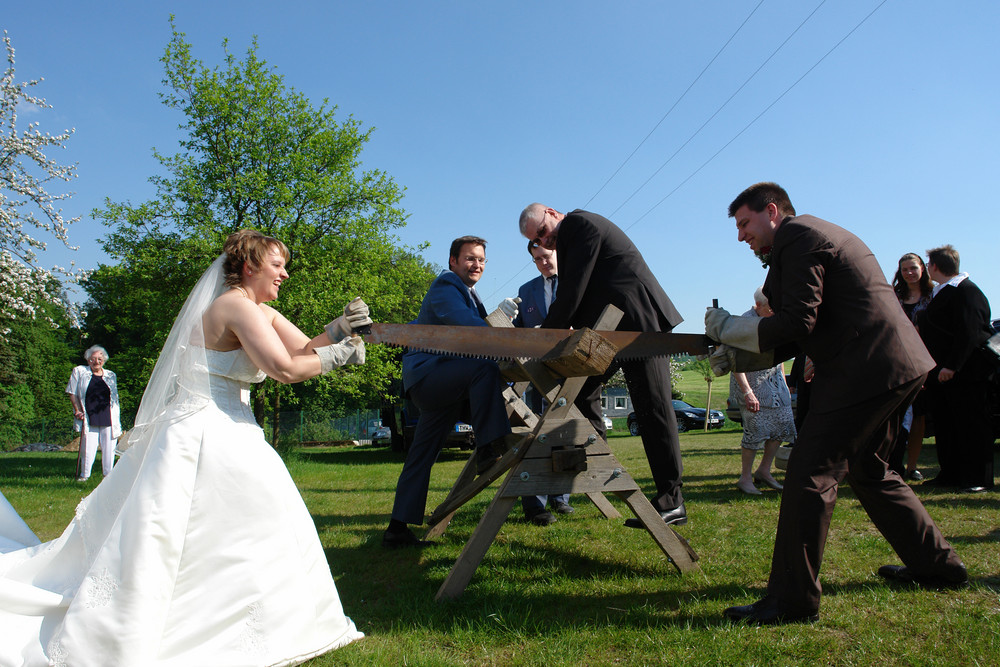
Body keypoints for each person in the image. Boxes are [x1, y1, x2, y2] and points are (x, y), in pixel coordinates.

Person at [0, 230, 366, 665]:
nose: (285, 273)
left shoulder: (261, 311)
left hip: (234, 426)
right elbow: (284, 367)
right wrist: (340, 355)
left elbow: (304, 348)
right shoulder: (233, 305)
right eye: (277, 265)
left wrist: (339, 330)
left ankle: (264, 622)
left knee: (252, 521)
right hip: (204, 428)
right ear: (249, 267)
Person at [707, 182, 966, 626]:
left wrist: (728, 329)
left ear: (772, 211)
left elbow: (798, 320)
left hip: (865, 369)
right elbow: (802, 328)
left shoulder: (799, 237)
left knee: (809, 474)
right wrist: (741, 352)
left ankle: (790, 601)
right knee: (870, 470)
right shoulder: (808, 236)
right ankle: (937, 566)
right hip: (893, 365)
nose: (741, 236)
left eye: (745, 224)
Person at [518, 203, 687, 528]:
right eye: (536, 241)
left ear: (553, 213)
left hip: (640, 324)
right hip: (616, 330)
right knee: (583, 387)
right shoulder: (571, 235)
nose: (543, 241)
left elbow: (572, 291)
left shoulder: (578, 226)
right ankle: (600, 457)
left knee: (653, 409)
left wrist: (545, 341)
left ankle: (672, 501)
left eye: (541, 232)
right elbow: (582, 296)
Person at [383, 235, 518, 548]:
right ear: (453, 262)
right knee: (486, 369)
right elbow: (466, 328)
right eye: (470, 258)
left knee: (421, 456)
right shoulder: (446, 286)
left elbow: (474, 324)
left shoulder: (469, 294)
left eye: (481, 260)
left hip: (446, 384)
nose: (477, 265)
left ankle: (397, 527)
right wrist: (506, 344)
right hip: (431, 378)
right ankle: (488, 447)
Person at [917, 245, 994, 492]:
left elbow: (970, 332)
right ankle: (950, 474)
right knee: (947, 425)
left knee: (970, 425)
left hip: (965, 374)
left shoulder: (966, 292)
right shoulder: (944, 291)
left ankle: (976, 478)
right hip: (942, 375)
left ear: (934, 266)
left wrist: (952, 365)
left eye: (929, 265)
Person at [512, 240, 573, 525]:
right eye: (537, 260)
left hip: (572, 372)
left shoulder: (576, 282)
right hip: (537, 376)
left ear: (557, 253)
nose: (543, 264)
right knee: (537, 433)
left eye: (546, 257)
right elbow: (519, 332)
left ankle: (561, 498)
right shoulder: (526, 291)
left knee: (565, 434)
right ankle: (536, 505)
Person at [729, 287, 793, 495]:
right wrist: (747, 392)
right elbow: (735, 361)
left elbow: (779, 357)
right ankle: (745, 478)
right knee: (755, 431)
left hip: (775, 385)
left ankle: (764, 471)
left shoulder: (775, 320)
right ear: (758, 305)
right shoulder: (743, 324)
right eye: (770, 306)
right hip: (752, 386)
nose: (774, 310)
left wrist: (783, 385)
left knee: (782, 426)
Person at [891, 253, 935, 481]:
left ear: (922, 270)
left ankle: (912, 466)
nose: (909, 273)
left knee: (919, 416)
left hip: (925, 360)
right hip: (898, 361)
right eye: (905, 269)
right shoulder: (894, 296)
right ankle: (894, 461)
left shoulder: (933, 295)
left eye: (913, 268)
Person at [65, 345, 122, 481]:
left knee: (109, 449)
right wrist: (77, 410)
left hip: (108, 416)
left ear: (104, 360)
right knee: (88, 448)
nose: (96, 361)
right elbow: (72, 392)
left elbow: (114, 398)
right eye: (93, 359)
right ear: (88, 360)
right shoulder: (79, 372)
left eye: (99, 359)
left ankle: (109, 477)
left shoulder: (110, 375)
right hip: (89, 416)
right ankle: (84, 476)